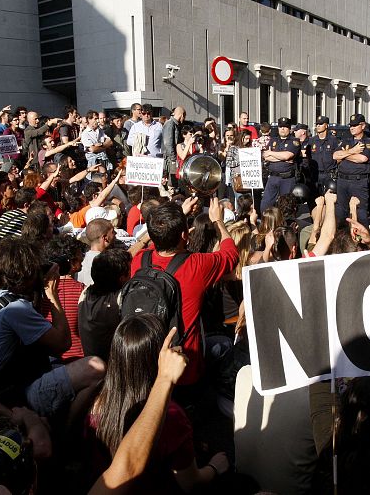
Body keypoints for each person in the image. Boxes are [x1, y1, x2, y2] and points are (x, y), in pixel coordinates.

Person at [0, 238, 105, 417]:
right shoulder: (14, 308)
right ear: (24, 273)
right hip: (0, 399)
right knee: (96, 367)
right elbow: (63, 344)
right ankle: (68, 436)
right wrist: (52, 294)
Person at [87, 314, 229, 493]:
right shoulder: (171, 416)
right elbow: (191, 483)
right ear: (160, 360)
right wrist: (214, 468)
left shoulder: (96, 402)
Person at [130, 198, 238, 387]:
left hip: (146, 362)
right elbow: (231, 255)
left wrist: (169, 222)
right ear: (184, 235)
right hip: (185, 367)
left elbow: (140, 248)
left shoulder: (139, 261)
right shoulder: (196, 265)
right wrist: (218, 221)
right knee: (225, 344)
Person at [333, 113, 370, 224]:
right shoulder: (346, 140)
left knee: (360, 213)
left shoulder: (368, 141)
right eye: (351, 125)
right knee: (341, 212)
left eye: (355, 125)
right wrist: (352, 151)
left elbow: (362, 158)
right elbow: (335, 155)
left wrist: (345, 155)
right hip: (342, 180)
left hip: (358, 182)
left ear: (363, 126)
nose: (352, 128)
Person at [261, 117, 300, 211]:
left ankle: (286, 224)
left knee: (286, 207)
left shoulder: (294, 141)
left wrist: (272, 154)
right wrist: (279, 157)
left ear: (289, 129)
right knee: (265, 205)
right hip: (273, 177)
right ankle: (267, 224)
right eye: (280, 127)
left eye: (285, 127)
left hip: (287, 179)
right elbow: (265, 156)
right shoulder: (273, 140)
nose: (282, 129)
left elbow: (287, 156)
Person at [306, 116, 337, 196]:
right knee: (315, 199)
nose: (318, 126)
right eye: (317, 124)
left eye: (320, 124)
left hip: (329, 174)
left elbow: (338, 156)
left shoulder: (333, 140)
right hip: (315, 175)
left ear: (326, 126)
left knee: (329, 199)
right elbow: (308, 157)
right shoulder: (312, 140)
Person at [162, 106, 186, 189]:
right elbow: (168, 143)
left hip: (171, 158)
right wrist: (173, 159)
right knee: (171, 184)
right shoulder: (170, 124)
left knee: (174, 183)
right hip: (170, 160)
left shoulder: (175, 125)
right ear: (182, 115)